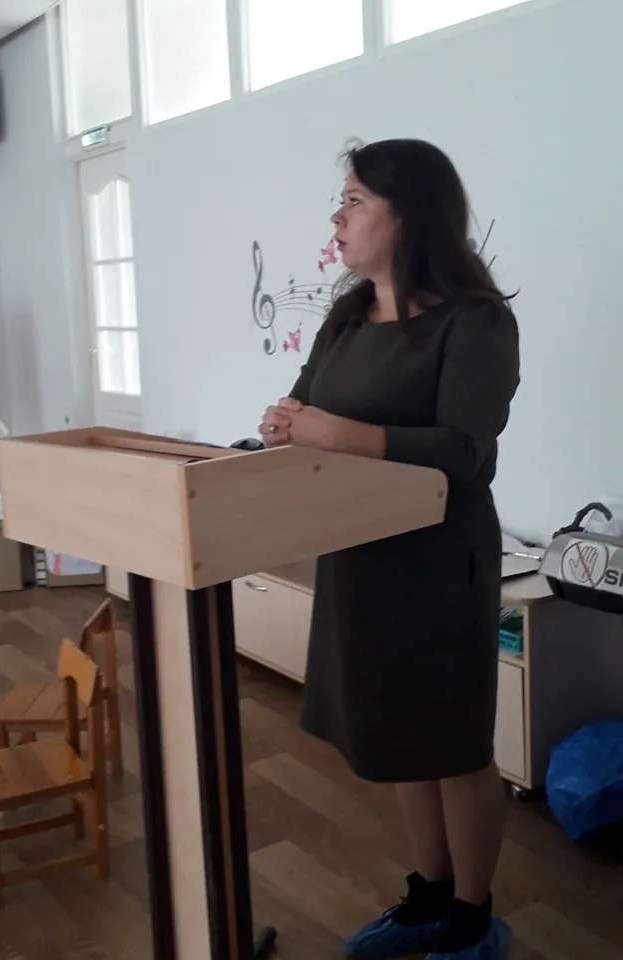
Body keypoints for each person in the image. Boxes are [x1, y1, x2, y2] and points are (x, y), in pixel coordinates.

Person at [258, 138, 520, 960]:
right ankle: (428, 898)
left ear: (409, 215)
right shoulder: (345, 316)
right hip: (359, 554)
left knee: (454, 744)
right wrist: (284, 425)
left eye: (354, 201)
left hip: (439, 564)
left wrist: (331, 431)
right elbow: (304, 407)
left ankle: (473, 921)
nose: (337, 219)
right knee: (400, 734)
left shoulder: (476, 321)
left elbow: (460, 451)